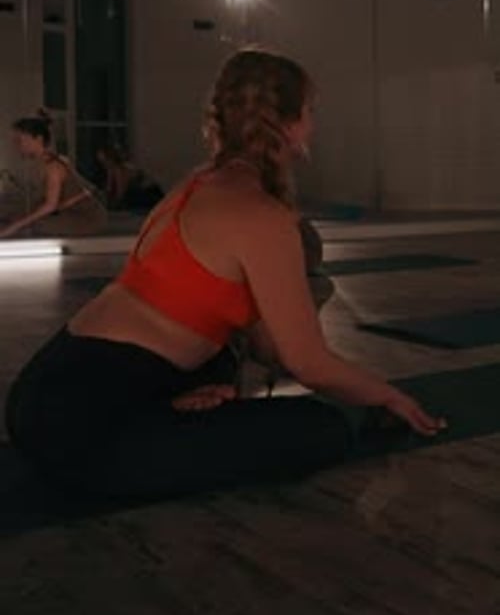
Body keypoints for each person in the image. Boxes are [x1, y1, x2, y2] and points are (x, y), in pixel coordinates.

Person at [6, 50, 446, 504]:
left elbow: (266, 345)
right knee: (321, 427)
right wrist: (388, 396)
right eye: (310, 112)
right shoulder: (261, 215)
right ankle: (161, 417)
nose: (313, 125)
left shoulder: (193, 187)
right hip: (83, 432)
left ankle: (169, 407)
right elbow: (307, 364)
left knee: (219, 362)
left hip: (40, 394)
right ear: (287, 124)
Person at [0, 110, 106, 238]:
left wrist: (15, 226)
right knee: (14, 217)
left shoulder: (53, 167)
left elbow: (50, 205)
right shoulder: (45, 161)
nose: (17, 146)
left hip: (85, 218)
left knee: (31, 226)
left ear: (38, 139)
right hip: (70, 212)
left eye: (19, 141)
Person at [96, 144, 164, 212]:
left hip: (149, 194)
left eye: (104, 159)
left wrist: (113, 204)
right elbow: (109, 190)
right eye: (101, 160)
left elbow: (121, 191)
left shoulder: (120, 169)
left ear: (110, 158)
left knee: (128, 200)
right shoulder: (111, 169)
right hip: (139, 194)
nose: (103, 162)